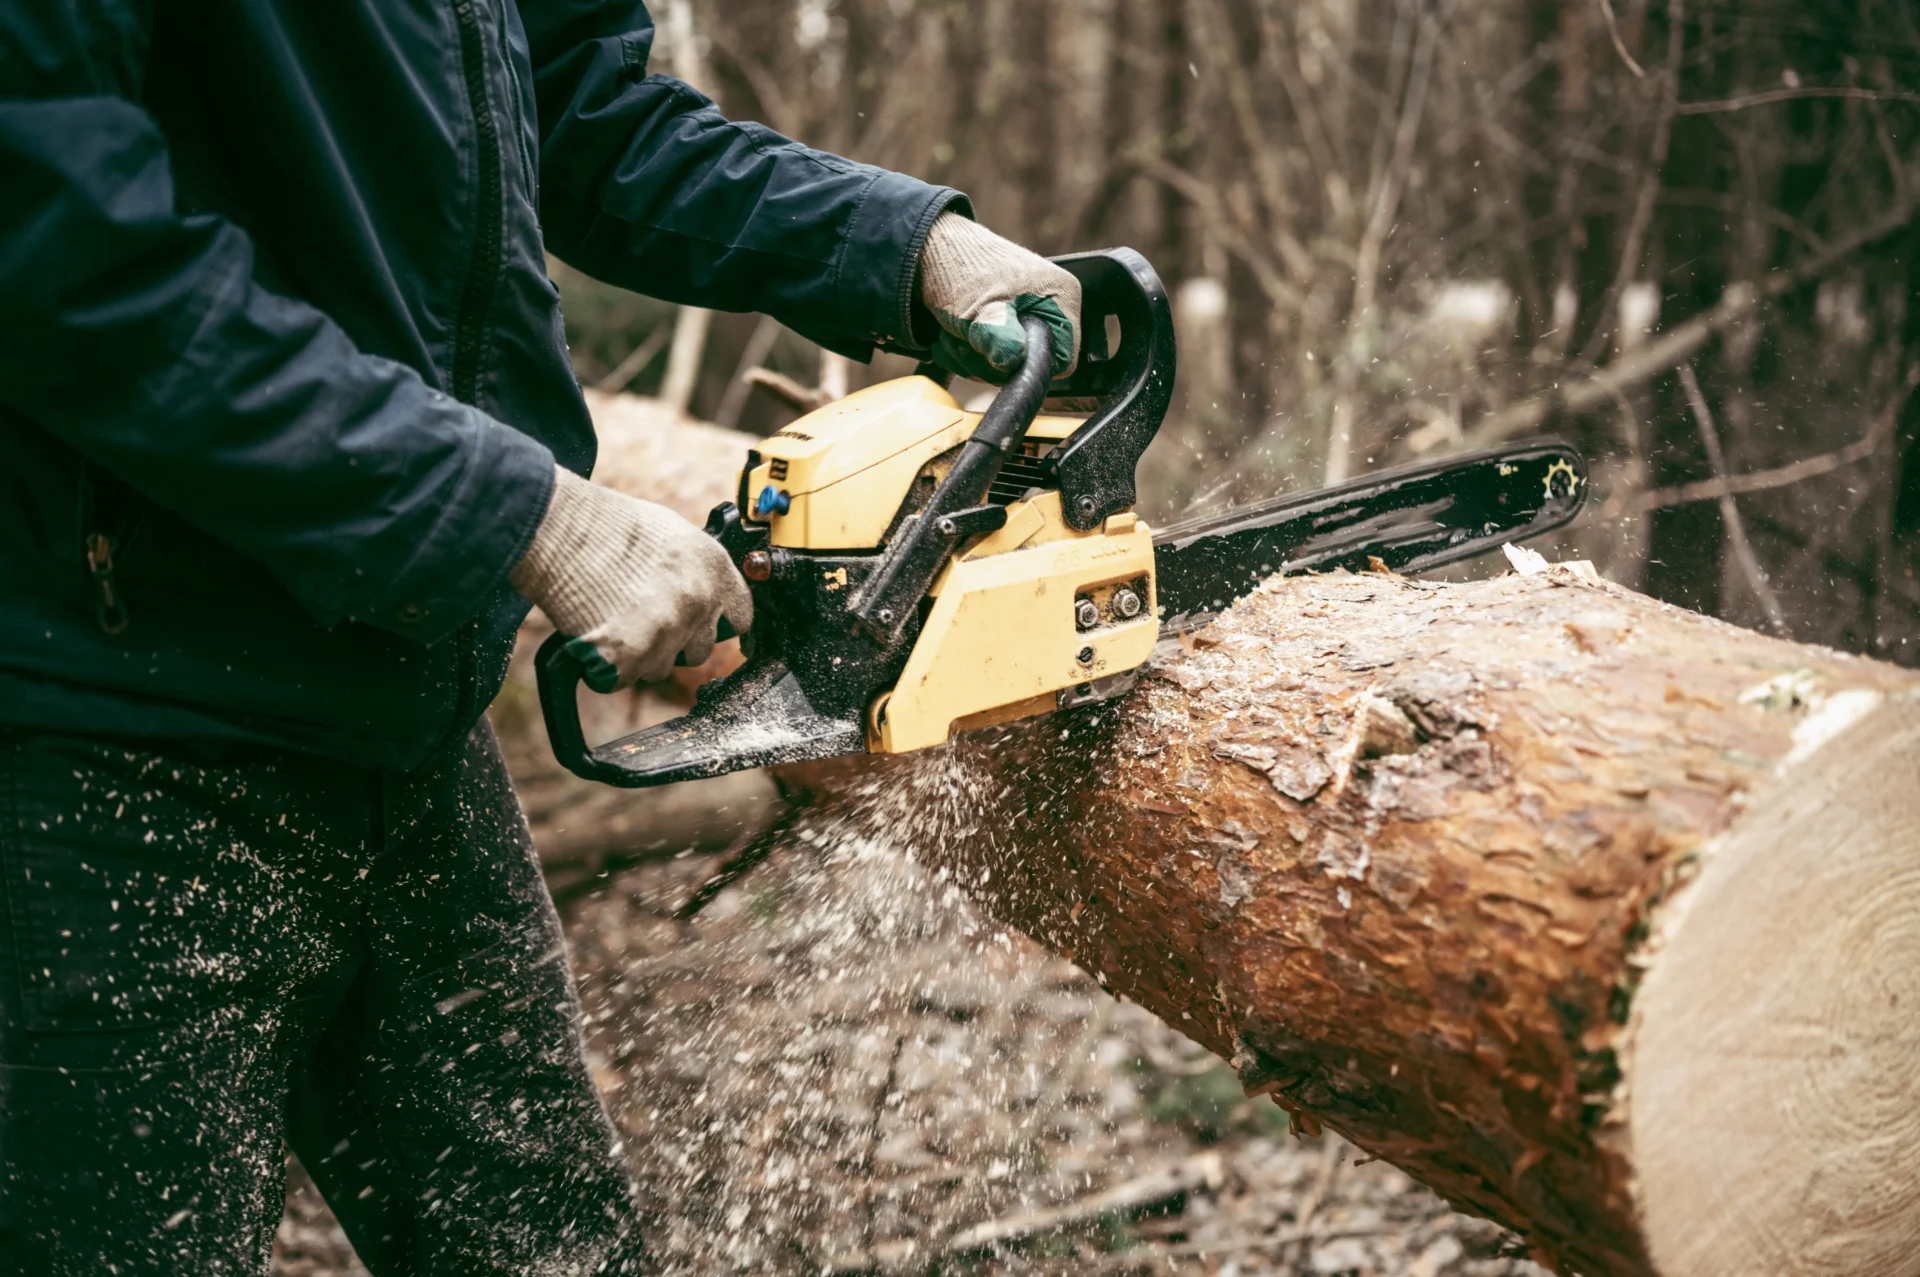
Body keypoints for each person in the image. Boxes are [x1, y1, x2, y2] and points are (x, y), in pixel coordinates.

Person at [0, 1, 1081, 1272]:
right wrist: (519, 515)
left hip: (410, 721)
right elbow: (59, 243)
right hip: (102, 738)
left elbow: (575, 106)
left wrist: (905, 247)